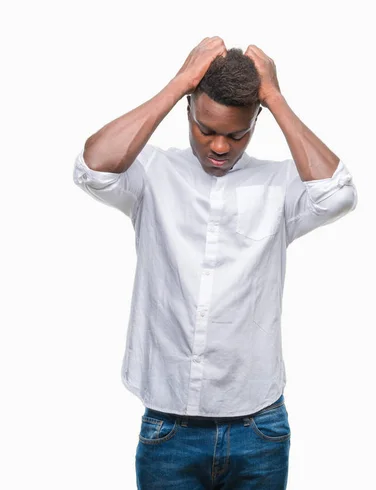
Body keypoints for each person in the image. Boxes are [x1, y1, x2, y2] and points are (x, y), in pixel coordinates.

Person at [72, 36, 358, 489]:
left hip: (259, 430)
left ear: (255, 122)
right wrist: (179, 82)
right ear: (188, 111)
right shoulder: (151, 174)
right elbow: (93, 167)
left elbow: (338, 194)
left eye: (236, 133)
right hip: (170, 429)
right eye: (206, 129)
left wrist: (275, 97)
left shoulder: (280, 184)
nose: (220, 146)